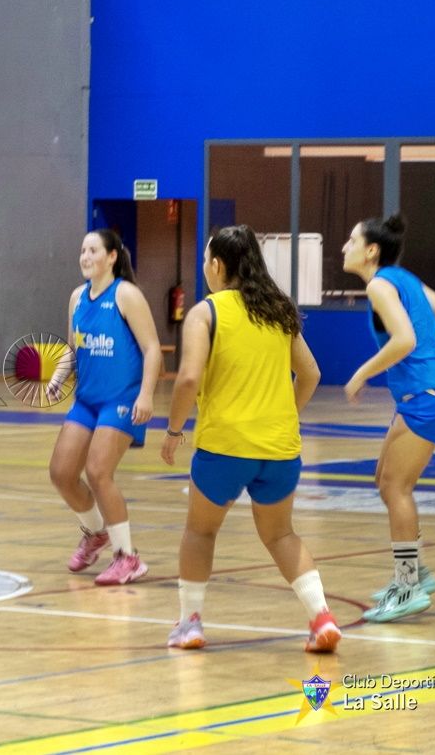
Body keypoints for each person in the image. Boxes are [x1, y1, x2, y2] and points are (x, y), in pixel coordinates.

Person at [162, 225, 339, 653]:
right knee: (281, 536)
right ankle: (321, 618)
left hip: (225, 447)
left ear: (218, 265)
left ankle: (190, 624)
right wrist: (284, 418)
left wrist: (173, 431)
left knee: (200, 533)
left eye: (206, 260)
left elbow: (187, 379)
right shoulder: (277, 310)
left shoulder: (207, 313)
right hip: (279, 450)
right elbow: (311, 373)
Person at [342, 213, 435, 623]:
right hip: (431, 390)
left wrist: (361, 374)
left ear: (371, 250)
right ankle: (419, 572)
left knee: (397, 488)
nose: (345, 247)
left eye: (351, 240)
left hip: (427, 394)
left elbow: (405, 339)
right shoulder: (404, 279)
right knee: (384, 480)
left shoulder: (379, 284)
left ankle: (407, 585)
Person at [46, 229, 162, 585]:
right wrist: (58, 377)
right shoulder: (77, 298)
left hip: (122, 400)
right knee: (62, 473)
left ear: (111, 256)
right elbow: (73, 347)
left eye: (93, 250)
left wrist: (146, 395)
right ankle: (97, 532)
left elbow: (153, 349)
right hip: (87, 399)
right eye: (82, 250)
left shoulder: (126, 295)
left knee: (98, 472)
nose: (85, 256)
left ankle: (128, 557)